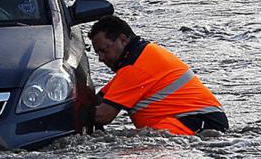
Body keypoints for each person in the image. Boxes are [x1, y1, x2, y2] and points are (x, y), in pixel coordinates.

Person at [87, 15, 227, 136]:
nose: (101, 58)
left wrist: (67, 116)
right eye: (97, 53)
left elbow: (103, 116)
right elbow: (100, 100)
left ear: (123, 40)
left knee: (132, 149)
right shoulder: (140, 57)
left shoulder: (136, 67)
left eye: (104, 50)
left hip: (198, 122)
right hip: (204, 119)